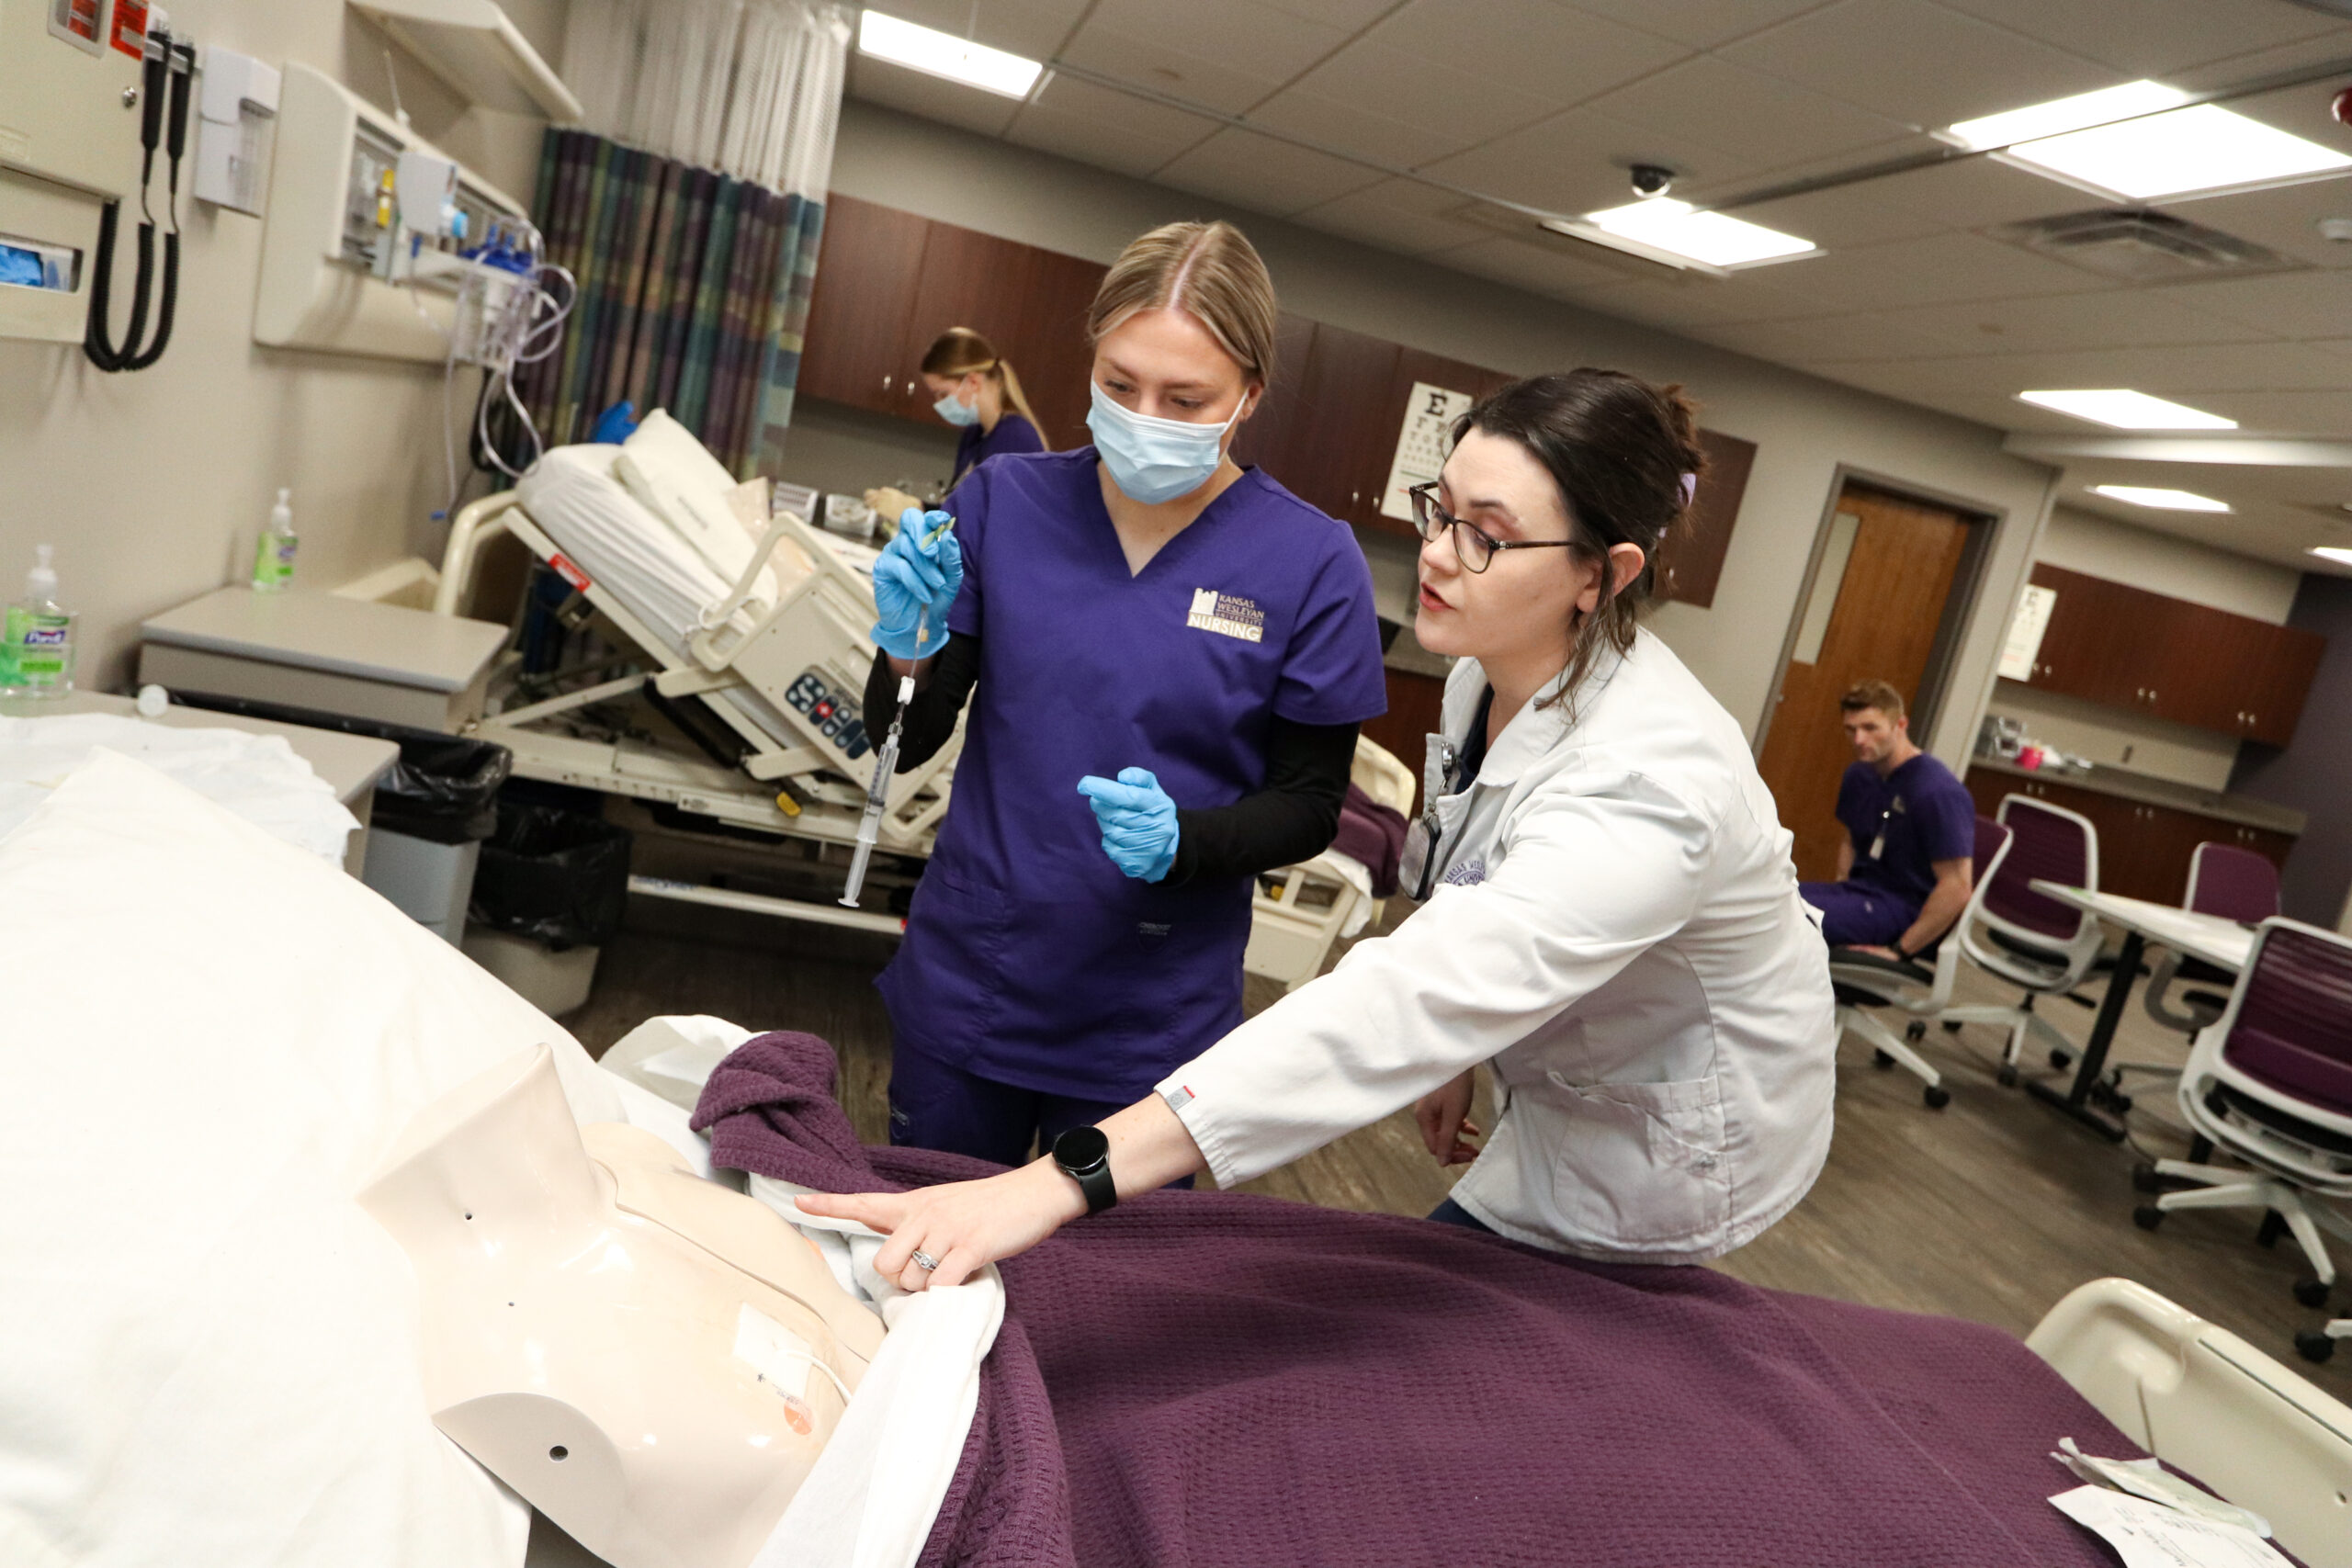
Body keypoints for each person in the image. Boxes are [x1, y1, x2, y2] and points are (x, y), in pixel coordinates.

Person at [805, 369, 1838, 1291]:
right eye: (1440, 512)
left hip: (1681, 1138)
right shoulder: (1488, 671)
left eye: (1486, 532)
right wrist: (1464, 1052)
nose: (1436, 554)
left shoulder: (1653, 782)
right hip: (1565, 1068)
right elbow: (1477, 877)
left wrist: (1058, 1184)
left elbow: (1410, 995)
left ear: (1601, 575)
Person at [856, 220, 1389, 1173]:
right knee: (921, 1258)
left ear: (1249, 397)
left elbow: (1310, 806)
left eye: (1187, 399)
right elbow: (900, 737)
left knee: (1101, 1300)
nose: (1145, 415)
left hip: (1147, 1018)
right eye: (1118, 385)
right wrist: (906, 651)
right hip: (976, 972)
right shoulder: (1002, 503)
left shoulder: (1312, 563)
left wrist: (1188, 841)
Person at [1797, 680, 1975, 961]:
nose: (1859, 740)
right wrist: (1842, 890)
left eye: (1870, 728)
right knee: (1772, 897)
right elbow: (1850, 840)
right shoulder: (1860, 775)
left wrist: (1899, 951)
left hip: (1902, 910)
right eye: (1851, 729)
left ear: (1900, 725)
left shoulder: (1937, 791)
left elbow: (1958, 887)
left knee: (1791, 919)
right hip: (1858, 893)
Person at [921, 326, 1046, 487]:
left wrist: (918, 509)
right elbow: (960, 505)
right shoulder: (975, 434)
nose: (938, 404)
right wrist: (921, 507)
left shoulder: (1014, 439)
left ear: (973, 382)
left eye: (943, 394)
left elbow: (994, 510)